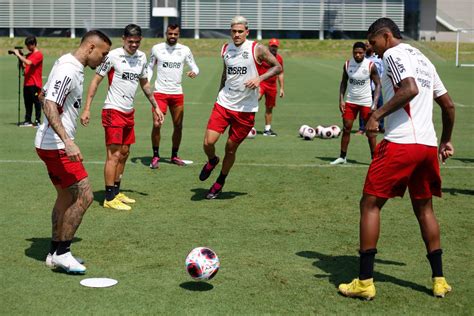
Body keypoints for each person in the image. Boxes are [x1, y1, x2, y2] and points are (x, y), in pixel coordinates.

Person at [338, 17, 455, 300]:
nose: (371, 50)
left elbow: (409, 88)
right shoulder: (425, 60)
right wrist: (446, 140)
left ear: (386, 36)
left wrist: (376, 115)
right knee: (424, 210)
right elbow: (448, 106)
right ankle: (439, 280)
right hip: (427, 147)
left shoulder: (393, 53)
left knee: (369, 204)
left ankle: (365, 281)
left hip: (401, 143)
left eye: (373, 43)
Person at [35, 30, 111, 273]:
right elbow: (48, 103)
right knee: (85, 195)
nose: (104, 60)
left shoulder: (68, 64)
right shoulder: (69, 68)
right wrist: (67, 140)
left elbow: (43, 94)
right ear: (90, 48)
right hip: (56, 146)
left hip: (48, 143)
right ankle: (63, 253)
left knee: (65, 196)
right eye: (103, 53)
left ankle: (53, 252)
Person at [81, 25, 164, 211]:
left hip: (128, 112)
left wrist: (156, 107)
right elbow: (95, 81)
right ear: (123, 39)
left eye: (137, 42)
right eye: (130, 41)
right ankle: (109, 197)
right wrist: (87, 109)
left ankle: (117, 192)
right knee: (114, 155)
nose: (134, 45)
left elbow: (145, 84)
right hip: (113, 111)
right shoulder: (112, 56)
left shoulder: (142, 57)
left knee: (125, 153)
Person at [199, 16, 282, 199]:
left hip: (245, 109)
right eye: (233, 31)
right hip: (224, 103)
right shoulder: (225, 49)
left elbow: (277, 67)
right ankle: (212, 160)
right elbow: (225, 73)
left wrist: (259, 79)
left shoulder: (257, 49)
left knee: (230, 148)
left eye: (240, 31)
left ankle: (220, 181)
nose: (236, 35)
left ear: (247, 32)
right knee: (208, 142)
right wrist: (219, 94)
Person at [147, 24, 199, 169]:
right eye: (170, 34)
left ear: (179, 34)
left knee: (178, 125)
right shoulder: (157, 48)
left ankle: (174, 155)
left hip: (177, 93)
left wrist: (194, 72)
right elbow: (150, 66)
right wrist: (147, 81)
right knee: (157, 124)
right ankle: (156, 155)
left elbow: (195, 67)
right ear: (166, 33)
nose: (172, 37)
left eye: (175, 34)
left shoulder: (184, 50)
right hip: (160, 93)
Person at [330, 42, 381, 165]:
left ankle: (374, 159)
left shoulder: (370, 65)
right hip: (351, 101)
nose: (357, 55)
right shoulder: (347, 64)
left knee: (370, 131)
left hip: (366, 102)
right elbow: (343, 82)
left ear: (364, 53)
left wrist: (374, 103)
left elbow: (378, 84)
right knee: (347, 129)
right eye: (355, 53)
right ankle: (342, 157)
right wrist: (341, 99)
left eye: (360, 53)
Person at [12, 36, 43, 127]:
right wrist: (20, 58)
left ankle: (37, 120)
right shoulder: (29, 55)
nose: (28, 48)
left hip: (35, 83)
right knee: (27, 102)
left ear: (33, 44)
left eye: (29, 46)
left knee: (36, 102)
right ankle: (28, 120)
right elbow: (25, 66)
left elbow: (29, 63)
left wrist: (19, 55)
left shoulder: (38, 54)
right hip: (27, 82)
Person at [257, 38, 284, 136]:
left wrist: (281, 88)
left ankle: (267, 130)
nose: (274, 48)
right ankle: (248, 126)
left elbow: (280, 73)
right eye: (272, 46)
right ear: (269, 46)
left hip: (272, 86)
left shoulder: (279, 59)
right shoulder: (263, 56)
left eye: (275, 46)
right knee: (255, 100)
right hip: (261, 83)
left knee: (269, 107)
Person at [357, 42, 384, 134]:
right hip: (365, 88)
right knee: (363, 107)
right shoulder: (362, 59)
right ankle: (362, 128)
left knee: (380, 107)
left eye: (367, 45)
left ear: (372, 47)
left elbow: (383, 72)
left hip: (376, 88)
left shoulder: (379, 59)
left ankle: (381, 126)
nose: (366, 47)